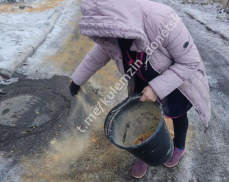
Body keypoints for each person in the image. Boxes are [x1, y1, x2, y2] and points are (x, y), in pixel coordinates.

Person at [69, 0, 211, 179]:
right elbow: (98, 54)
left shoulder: (163, 19)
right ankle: (147, 148)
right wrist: (77, 79)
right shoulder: (111, 29)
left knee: (177, 114)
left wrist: (157, 88)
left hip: (174, 80)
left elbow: (190, 62)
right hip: (141, 80)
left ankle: (178, 146)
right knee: (141, 116)